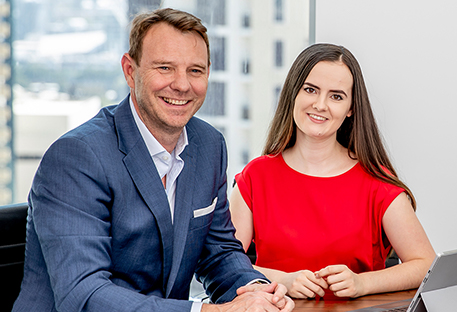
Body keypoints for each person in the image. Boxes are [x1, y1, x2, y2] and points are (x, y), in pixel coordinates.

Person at [12, 8, 294, 312]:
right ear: (130, 71)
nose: (182, 85)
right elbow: (85, 294)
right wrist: (206, 311)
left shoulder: (209, 145)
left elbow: (220, 253)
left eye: (195, 71)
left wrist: (258, 293)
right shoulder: (76, 157)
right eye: (165, 68)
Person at [230, 43, 435, 300]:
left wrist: (362, 283)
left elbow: (425, 263)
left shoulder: (377, 182)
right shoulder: (256, 177)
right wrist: (281, 279)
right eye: (310, 90)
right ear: (293, 93)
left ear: (351, 109)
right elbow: (224, 263)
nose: (320, 104)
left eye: (336, 96)